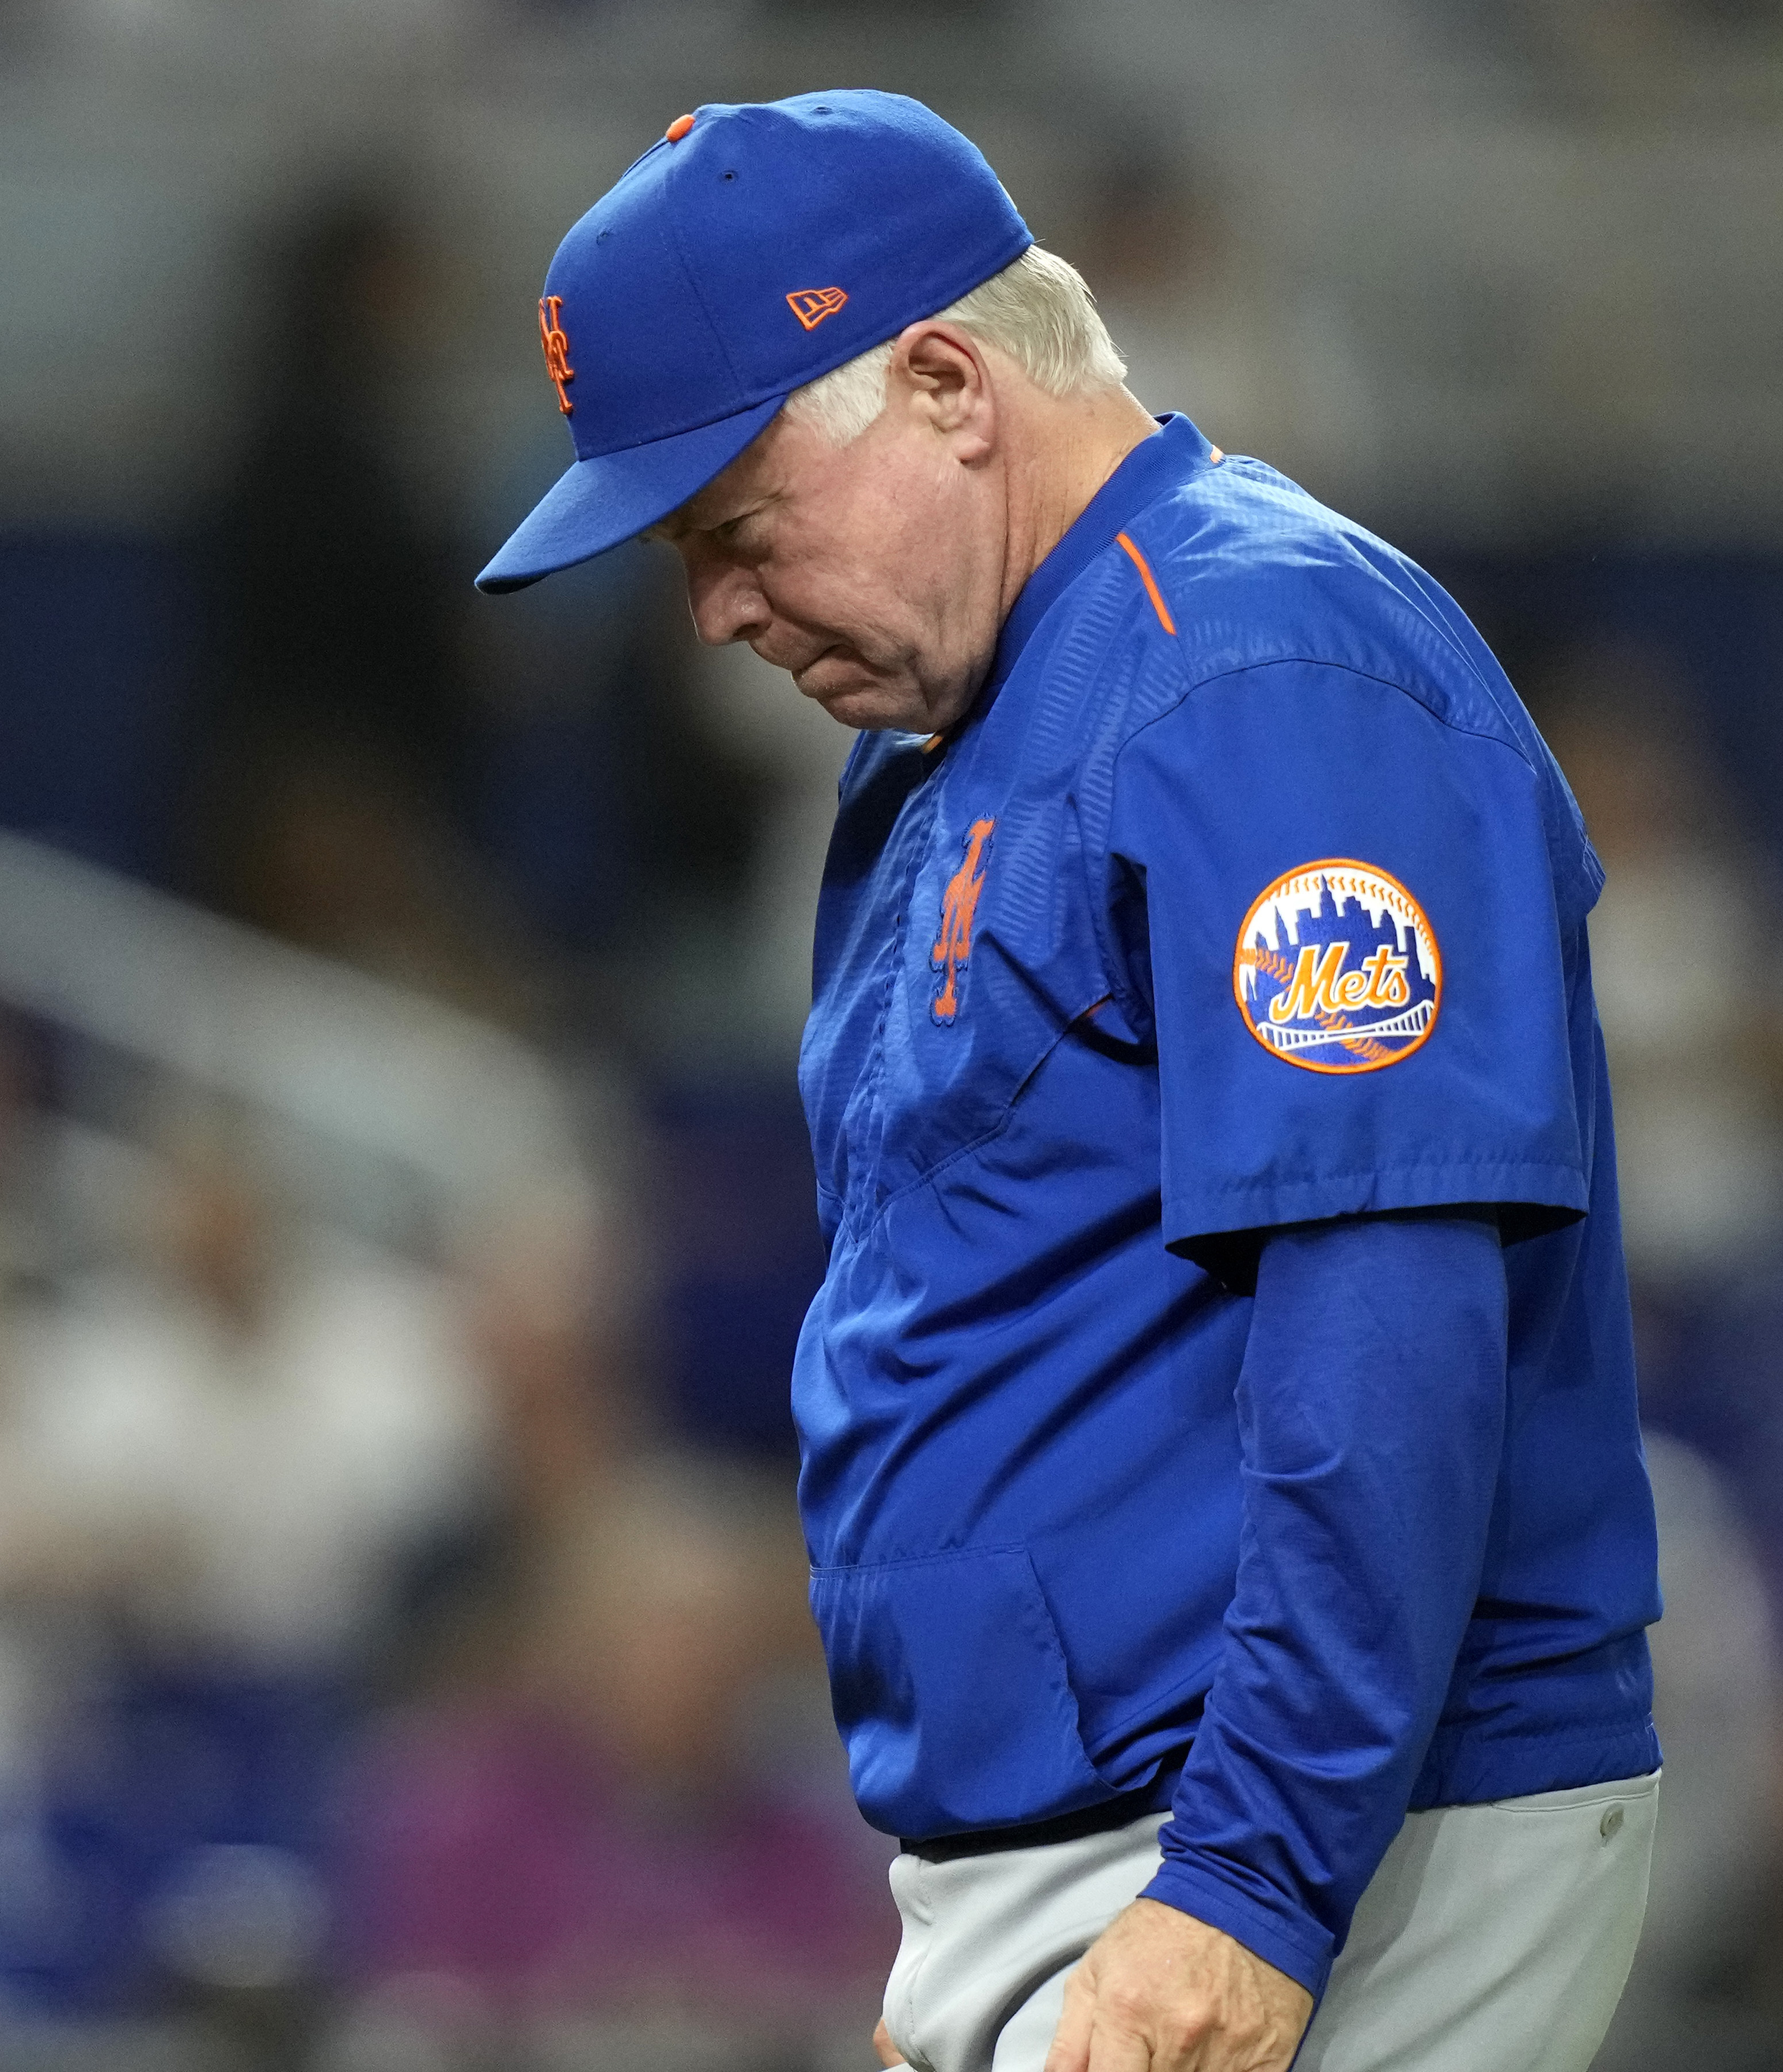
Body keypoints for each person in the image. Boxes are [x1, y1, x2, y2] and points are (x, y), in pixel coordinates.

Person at [476, 93, 1661, 2072]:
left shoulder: (1258, 670)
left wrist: (1247, 1886)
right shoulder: (969, 720)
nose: (712, 611)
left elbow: (1382, 1313)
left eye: (734, 530)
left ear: (946, 384)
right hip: (1092, 1851)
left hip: (1301, 1833)